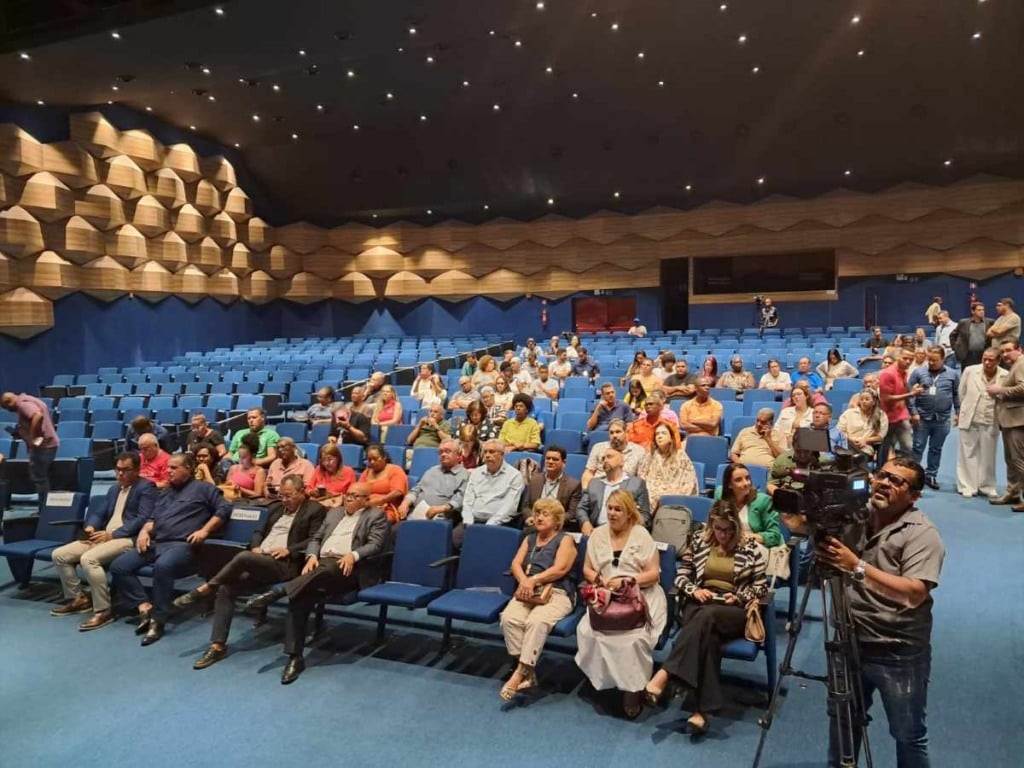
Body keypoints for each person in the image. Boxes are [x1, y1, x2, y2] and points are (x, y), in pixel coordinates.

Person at [816, 458, 944, 768]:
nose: (885, 483)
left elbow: (914, 594)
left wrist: (855, 566)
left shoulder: (922, 534)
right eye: (883, 475)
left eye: (897, 481)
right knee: (844, 721)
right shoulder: (855, 515)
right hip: (848, 641)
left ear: (914, 496)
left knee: (907, 733)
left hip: (896, 650)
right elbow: (796, 525)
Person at [177, 474, 327, 670]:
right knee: (227, 588)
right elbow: (258, 532)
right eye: (282, 495)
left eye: (289, 495)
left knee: (243, 558)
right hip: (261, 560)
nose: (285, 500)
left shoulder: (315, 510)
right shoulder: (276, 507)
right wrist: (256, 546)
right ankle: (217, 645)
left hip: (286, 564)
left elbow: (315, 539)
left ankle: (205, 588)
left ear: (302, 492)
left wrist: (289, 550)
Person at [644, 500, 767, 734]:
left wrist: (739, 596)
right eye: (719, 529)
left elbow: (761, 587)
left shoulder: (749, 546)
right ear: (712, 525)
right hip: (700, 601)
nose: (724, 535)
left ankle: (666, 672)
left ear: (737, 528)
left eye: (729, 530)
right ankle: (702, 712)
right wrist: (694, 590)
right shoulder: (700, 541)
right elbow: (681, 576)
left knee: (707, 616)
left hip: (732, 609)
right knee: (708, 637)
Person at [248, 482, 390, 684]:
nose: (348, 498)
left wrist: (353, 555)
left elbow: (375, 544)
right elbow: (316, 537)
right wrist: (312, 555)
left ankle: (280, 591)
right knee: (300, 597)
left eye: (355, 496)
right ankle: (295, 657)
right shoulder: (333, 513)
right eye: (347, 494)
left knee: (327, 568)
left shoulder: (376, 515)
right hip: (321, 564)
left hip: (349, 568)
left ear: (366, 500)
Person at [109, 453, 232, 646]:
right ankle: (144, 606)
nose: (168, 471)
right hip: (158, 542)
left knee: (163, 566)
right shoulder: (166, 492)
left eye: (174, 468)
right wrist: (144, 531)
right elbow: (152, 518)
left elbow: (224, 509)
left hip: (184, 545)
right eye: (168, 467)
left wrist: (205, 530)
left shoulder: (204, 489)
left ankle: (158, 620)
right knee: (119, 566)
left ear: (189, 468)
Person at [575, 490, 667, 719]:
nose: (613, 513)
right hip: (607, 596)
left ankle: (632, 692)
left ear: (629, 513)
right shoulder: (597, 534)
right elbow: (587, 568)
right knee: (588, 631)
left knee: (634, 640)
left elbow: (654, 574)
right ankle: (603, 680)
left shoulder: (641, 535)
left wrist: (628, 580)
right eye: (610, 508)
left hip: (640, 596)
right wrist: (600, 580)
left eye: (618, 509)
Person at [49, 452, 157, 631]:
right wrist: (91, 526)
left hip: (127, 539)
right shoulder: (114, 489)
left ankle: (104, 610)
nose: (120, 474)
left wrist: (113, 535)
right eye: (118, 469)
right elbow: (99, 513)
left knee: (88, 559)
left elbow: (142, 519)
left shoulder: (146, 487)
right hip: (103, 536)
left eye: (126, 470)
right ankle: (79, 599)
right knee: (60, 555)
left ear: (137, 470)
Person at [499, 498, 578, 699]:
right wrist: (525, 581)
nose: (539, 517)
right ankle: (529, 672)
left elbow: (560, 569)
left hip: (558, 592)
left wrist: (533, 580)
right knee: (509, 618)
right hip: (528, 590)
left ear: (558, 520)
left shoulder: (565, 539)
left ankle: (518, 674)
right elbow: (516, 564)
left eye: (545, 514)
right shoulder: (530, 538)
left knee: (536, 621)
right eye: (537, 513)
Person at [957, 348, 1007, 499]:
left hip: (991, 418)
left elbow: (1006, 397)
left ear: (998, 361)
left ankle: (987, 485)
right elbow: (962, 392)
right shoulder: (970, 371)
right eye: (984, 358)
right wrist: (965, 409)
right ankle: (967, 485)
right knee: (967, 452)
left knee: (988, 454)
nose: (986, 362)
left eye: (991, 360)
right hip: (970, 417)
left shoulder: (1005, 375)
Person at [908, 348, 960, 489]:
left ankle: (931, 475)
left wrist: (958, 412)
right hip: (922, 418)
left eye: (934, 360)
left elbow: (956, 394)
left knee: (936, 448)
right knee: (918, 447)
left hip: (942, 419)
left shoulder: (952, 374)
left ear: (943, 359)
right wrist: (913, 412)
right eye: (929, 359)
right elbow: (910, 394)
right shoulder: (918, 372)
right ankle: (914, 477)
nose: (931, 362)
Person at [457, 439, 525, 548]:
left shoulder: (515, 476)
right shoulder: (476, 473)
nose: (487, 455)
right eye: (486, 452)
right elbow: (468, 500)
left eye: (492, 452)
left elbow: (509, 507)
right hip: (472, 521)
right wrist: (468, 521)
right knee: (454, 541)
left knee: (484, 544)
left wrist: (489, 526)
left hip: (498, 523)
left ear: (502, 455)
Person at [1, 391, 59, 505]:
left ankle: (44, 509)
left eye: (8, 408)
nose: (10, 411)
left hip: (43, 446)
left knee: (39, 478)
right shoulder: (29, 399)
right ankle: (47, 508)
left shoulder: (22, 404)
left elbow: (37, 416)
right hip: (47, 444)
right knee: (42, 477)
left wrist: (33, 436)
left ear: (9, 402)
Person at [577, 447, 652, 534]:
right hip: (596, 531)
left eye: (609, 457)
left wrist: (631, 529)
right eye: (603, 458)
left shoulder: (637, 484)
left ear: (622, 462)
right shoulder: (594, 483)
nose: (605, 460)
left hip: (626, 532)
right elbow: (581, 508)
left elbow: (645, 515)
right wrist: (585, 523)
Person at [988, 340, 1024, 511]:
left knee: (1019, 461)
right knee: (1011, 460)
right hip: (1010, 420)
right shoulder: (1016, 365)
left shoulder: (1021, 364)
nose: (1005, 355)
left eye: (1009, 350)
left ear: (1019, 349)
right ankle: (1013, 492)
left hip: (1019, 421)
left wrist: (999, 391)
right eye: (1002, 352)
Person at [713, 463, 782, 546]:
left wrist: (744, 537)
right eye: (739, 480)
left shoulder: (763, 501)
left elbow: (775, 536)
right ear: (729, 485)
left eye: (747, 478)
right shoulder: (720, 495)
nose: (746, 483)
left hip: (756, 547)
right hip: (729, 545)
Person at [398, 439, 468, 522]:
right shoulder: (431, 470)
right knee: (394, 532)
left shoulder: (464, 475)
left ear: (458, 455)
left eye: (447, 451)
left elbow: (460, 499)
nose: (443, 454)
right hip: (415, 514)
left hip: (441, 518)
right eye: (440, 452)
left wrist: (441, 508)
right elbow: (416, 490)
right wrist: (405, 503)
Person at [878, 348, 923, 465]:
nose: (908, 362)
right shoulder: (887, 374)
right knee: (885, 449)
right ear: (898, 358)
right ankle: (882, 472)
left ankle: (907, 474)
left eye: (911, 360)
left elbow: (902, 392)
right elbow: (886, 398)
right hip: (888, 417)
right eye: (905, 358)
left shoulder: (904, 372)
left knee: (908, 447)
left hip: (901, 416)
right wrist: (911, 394)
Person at [638, 421, 696, 510]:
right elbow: (641, 477)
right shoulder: (650, 456)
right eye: (657, 434)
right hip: (650, 495)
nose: (659, 436)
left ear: (671, 438)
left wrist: (669, 496)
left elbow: (689, 481)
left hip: (674, 496)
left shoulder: (681, 456)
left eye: (664, 433)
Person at [519, 446, 582, 528]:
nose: (550, 461)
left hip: (556, 527)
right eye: (548, 458)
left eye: (555, 459)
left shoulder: (573, 485)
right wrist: (531, 517)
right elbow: (526, 506)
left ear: (564, 463)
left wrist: (550, 521)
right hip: (534, 523)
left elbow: (571, 513)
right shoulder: (535, 480)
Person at [582, 418, 646, 486]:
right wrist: (585, 491)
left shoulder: (638, 451)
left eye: (618, 432)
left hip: (625, 492)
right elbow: (589, 473)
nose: (614, 435)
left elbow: (641, 479)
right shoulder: (598, 448)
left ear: (626, 432)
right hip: (599, 489)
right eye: (611, 433)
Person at [359, 443, 409, 524]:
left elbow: (398, 492)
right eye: (369, 459)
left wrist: (380, 501)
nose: (372, 462)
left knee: (370, 521)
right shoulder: (367, 472)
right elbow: (358, 489)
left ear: (384, 457)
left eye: (375, 459)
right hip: (367, 506)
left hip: (388, 508)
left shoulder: (395, 470)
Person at [838, 390, 889, 458]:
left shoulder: (881, 415)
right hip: (847, 444)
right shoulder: (849, 413)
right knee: (845, 454)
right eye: (861, 399)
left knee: (855, 458)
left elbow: (880, 436)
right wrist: (850, 439)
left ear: (874, 402)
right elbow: (839, 431)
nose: (864, 401)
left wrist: (866, 440)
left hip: (865, 448)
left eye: (867, 399)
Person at [951, 301, 993, 369]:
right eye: (979, 310)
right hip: (967, 355)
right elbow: (953, 335)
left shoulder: (990, 322)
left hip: (983, 355)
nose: (982, 311)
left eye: (983, 310)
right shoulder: (964, 323)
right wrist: (955, 348)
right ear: (973, 311)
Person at [225, 433, 267, 499]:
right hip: (230, 499)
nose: (241, 460)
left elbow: (258, 494)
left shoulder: (259, 471)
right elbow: (226, 486)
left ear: (252, 456)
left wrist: (239, 488)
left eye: (244, 457)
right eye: (240, 457)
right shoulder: (233, 468)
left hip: (247, 502)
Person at [773, 385, 813, 451]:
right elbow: (776, 429)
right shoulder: (785, 411)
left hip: (805, 449)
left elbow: (813, 435)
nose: (796, 397)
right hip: (783, 447)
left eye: (799, 394)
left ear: (806, 396)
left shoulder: (813, 413)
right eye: (793, 395)